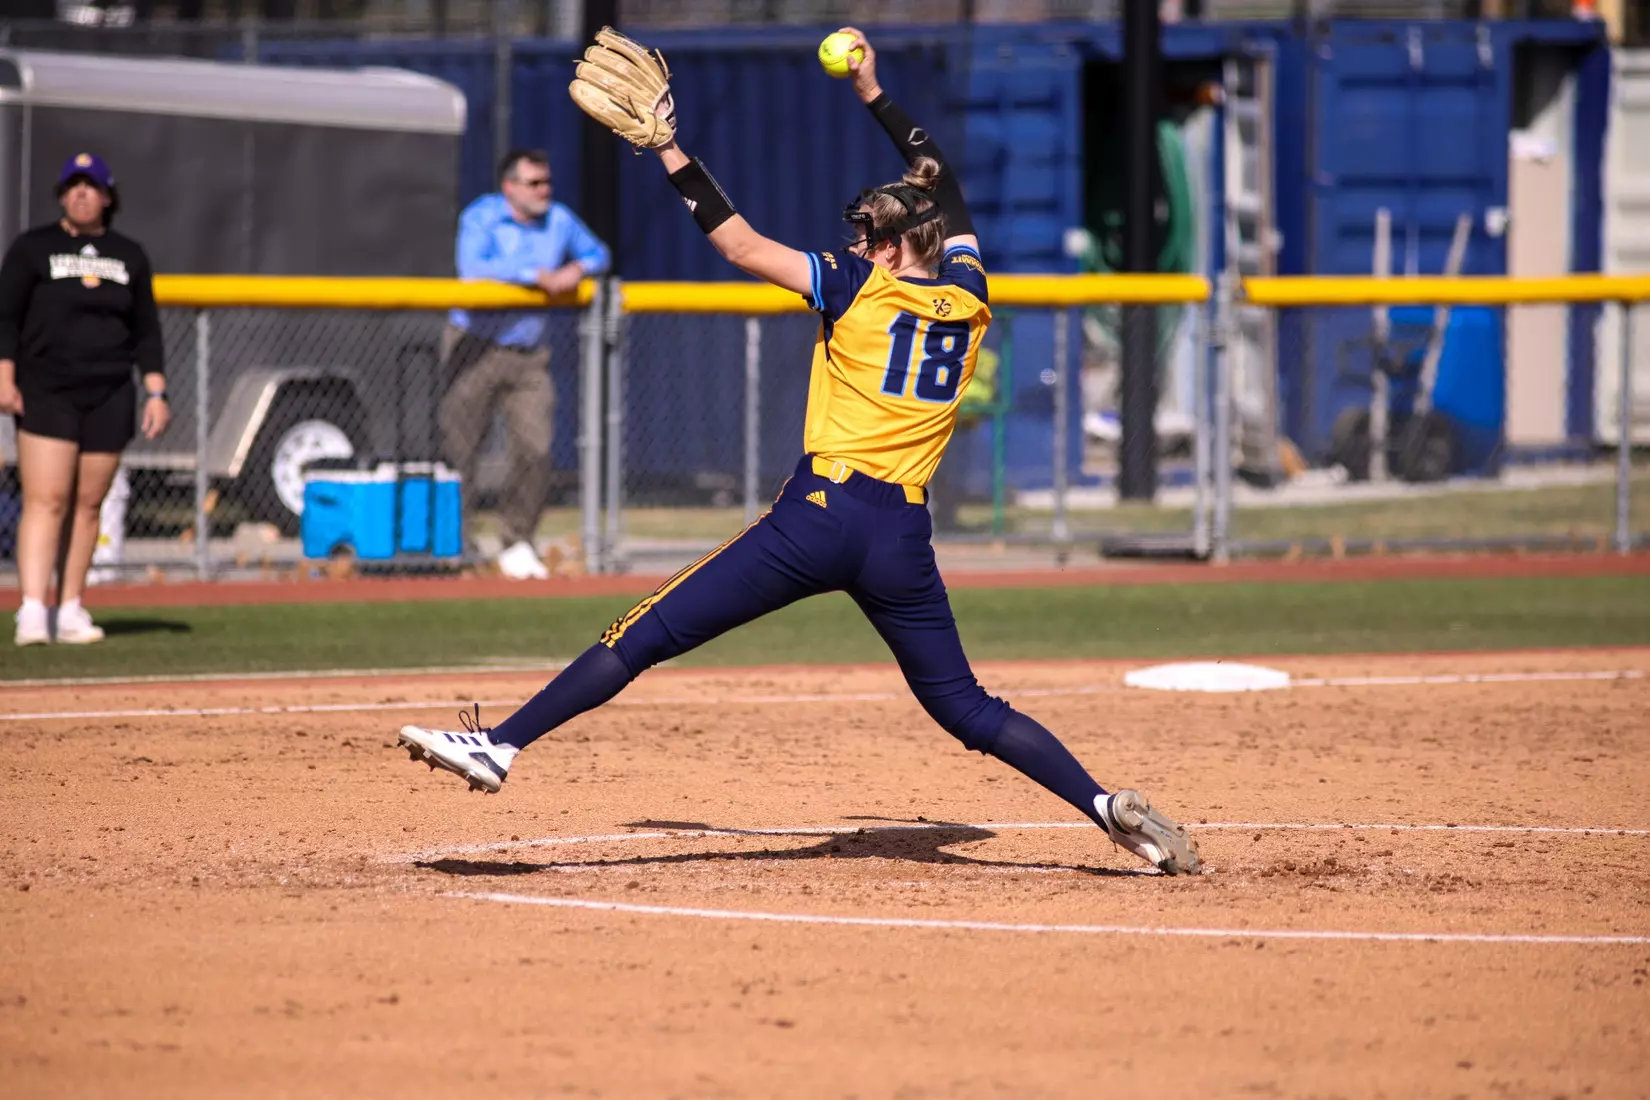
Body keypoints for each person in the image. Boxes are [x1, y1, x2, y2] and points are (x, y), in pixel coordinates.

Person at [398, 30, 1202, 875]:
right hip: (901, 538)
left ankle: (501, 745)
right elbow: (947, 187)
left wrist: (669, 148)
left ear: (893, 249)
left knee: (646, 631)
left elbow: (739, 244)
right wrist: (873, 93)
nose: (855, 245)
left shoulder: (857, 287)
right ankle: (1106, 808)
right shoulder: (971, 295)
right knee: (965, 706)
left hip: (820, 517)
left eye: (868, 236)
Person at [0, 152, 168, 646]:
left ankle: (71, 607)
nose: (81, 193)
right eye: (73, 185)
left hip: (110, 391)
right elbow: (5, 318)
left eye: (91, 186)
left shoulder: (128, 255)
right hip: (47, 389)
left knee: (88, 505)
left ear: (107, 197)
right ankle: (33, 609)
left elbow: (147, 331)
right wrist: (5, 376)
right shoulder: (34, 248)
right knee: (46, 499)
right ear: (61, 195)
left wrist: (156, 391)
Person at [443, 148, 611, 580]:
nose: (544, 190)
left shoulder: (559, 219)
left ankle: (516, 542)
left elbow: (599, 253)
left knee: (536, 449)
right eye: (535, 183)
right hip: (474, 346)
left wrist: (577, 268)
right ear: (510, 187)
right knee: (460, 449)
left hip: (529, 353)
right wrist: (533, 274)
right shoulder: (481, 217)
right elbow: (472, 269)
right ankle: (457, 546)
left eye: (547, 182)